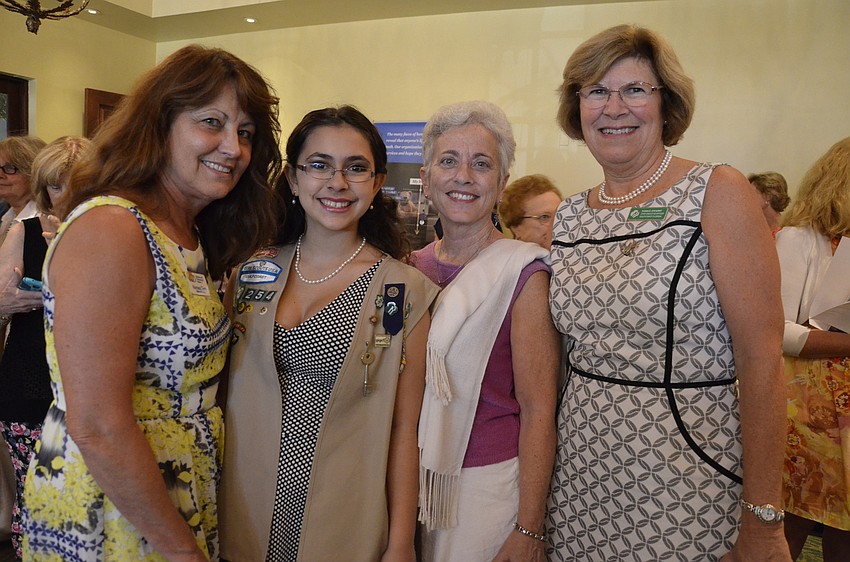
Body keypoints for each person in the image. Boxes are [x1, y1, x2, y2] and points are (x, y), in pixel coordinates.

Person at [21, 44, 282, 561]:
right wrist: (179, 549)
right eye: (212, 122)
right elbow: (96, 424)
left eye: (246, 132)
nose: (233, 147)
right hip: (112, 503)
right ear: (159, 124)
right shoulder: (114, 227)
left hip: (173, 488)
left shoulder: (188, 230)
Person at [546, 24, 790, 561]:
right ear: (577, 106)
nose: (614, 108)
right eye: (596, 91)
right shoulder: (568, 214)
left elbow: (762, 360)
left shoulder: (717, 192)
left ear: (666, 102)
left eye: (634, 89)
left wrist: (765, 520)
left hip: (689, 473)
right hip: (580, 475)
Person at [218, 105, 438, 562]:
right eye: (318, 165)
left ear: (377, 183)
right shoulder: (251, 273)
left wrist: (401, 542)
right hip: (243, 503)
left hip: (345, 513)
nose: (337, 183)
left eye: (356, 168)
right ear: (294, 180)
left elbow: (404, 428)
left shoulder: (401, 289)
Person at [411, 100, 559, 562]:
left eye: (481, 164)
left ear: (502, 184)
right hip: (411, 475)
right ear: (427, 175)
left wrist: (529, 527)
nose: (463, 177)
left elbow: (539, 410)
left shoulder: (523, 275)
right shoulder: (410, 269)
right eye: (449, 161)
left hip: (486, 485)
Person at [0, 135, 90, 560]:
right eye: (56, 185)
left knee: (84, 505)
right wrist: (7, 303)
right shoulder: (26, 230)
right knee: (34, 498)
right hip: (30, 385)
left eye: (78, 182)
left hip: (86, 394)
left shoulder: (119, 233)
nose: (67, 195)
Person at [776, 137, 850, 561]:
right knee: (796, 517)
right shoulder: (799, 239)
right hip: (806, 406)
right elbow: (774, 330)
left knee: (846, 525)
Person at [0, 137, 45, 248]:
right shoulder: (7, 215)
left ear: (34, 173)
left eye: (9, 168)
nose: (0, 174)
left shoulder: (44, 222)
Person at [498, 174, 562, 249]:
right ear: (516, 228)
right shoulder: (506, 259)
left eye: (559, 216)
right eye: (544, 217)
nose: (556, 224)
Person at [748, 171, 790, 235]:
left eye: (752, 193)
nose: (747, 197)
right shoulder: (753, 228)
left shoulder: (787, 231)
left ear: (768, 196)